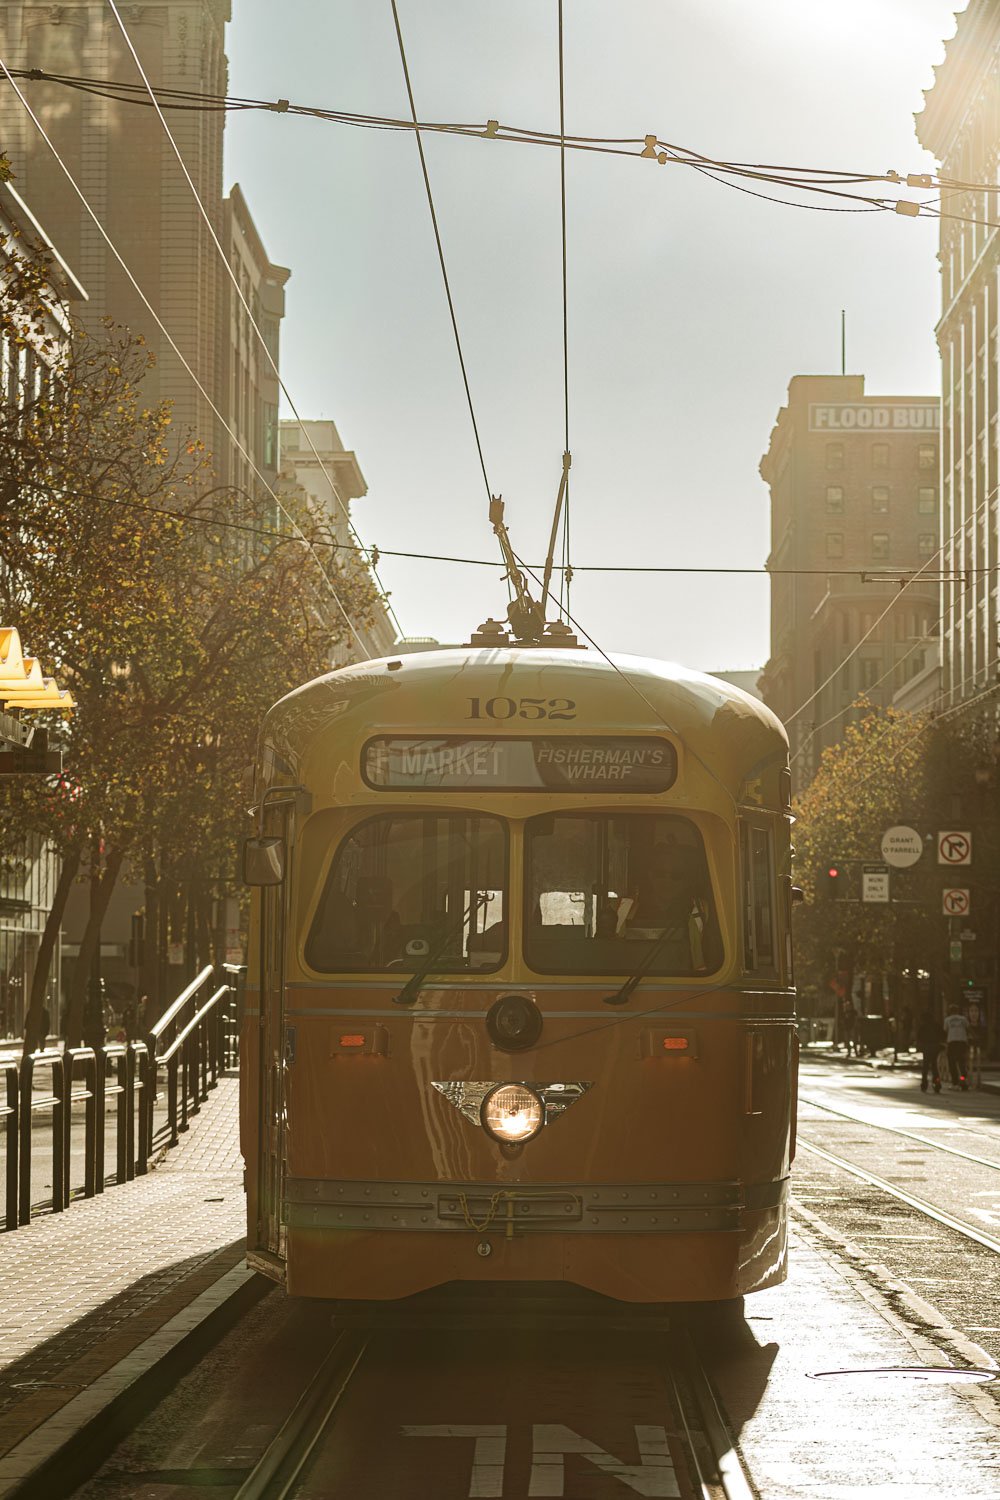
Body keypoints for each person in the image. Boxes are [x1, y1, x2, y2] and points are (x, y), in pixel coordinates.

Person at [944, 1001, 971, 1090]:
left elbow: (945, 1030)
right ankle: (963, 1080)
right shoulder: (963, 1019)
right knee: (961, 1062)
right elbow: (968, 1028)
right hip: (962, 1042)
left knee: (952, 1063)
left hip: (952, 1042)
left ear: (950, 1011)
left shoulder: (947, 1020)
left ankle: (955, 1082)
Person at [916, 1006, 943, 1094]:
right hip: (935, 1046)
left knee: (926, 1066)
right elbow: (942, 1034)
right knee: (934, 1065)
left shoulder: (923, 1026)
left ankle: (924, 1083)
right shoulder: (937, 1025)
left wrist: (919, 1045)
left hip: (927, 1047)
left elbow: (919, 1037)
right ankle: (937, 1082)